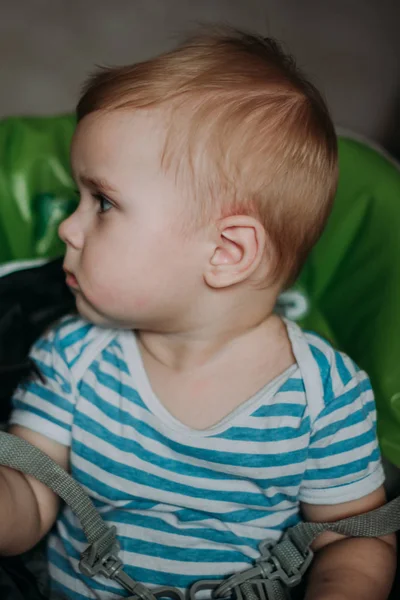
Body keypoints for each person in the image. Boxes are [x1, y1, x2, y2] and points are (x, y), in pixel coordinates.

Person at [0, 27, 396, 600]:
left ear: (225, 253)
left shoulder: (323, 397)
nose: (67, 226)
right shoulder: (72, 354)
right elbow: (30, 503)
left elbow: (353, 539)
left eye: (103, 202)